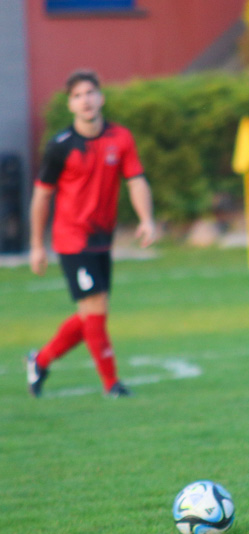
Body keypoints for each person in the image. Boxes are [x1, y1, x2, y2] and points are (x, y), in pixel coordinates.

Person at [26, 69, 155, 398]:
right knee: (95, 310)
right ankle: (112, 384)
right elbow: (41, 197)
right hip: (71, 239)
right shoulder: (60, 147)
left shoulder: (121, 138)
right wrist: (36, 246)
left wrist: (146, 219)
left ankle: (39, 361)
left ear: (101, 97)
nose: (85, 100)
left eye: (90, 93)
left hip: (102, 239)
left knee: (91, 316)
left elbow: (136, 179)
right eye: (78, 95)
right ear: (70, 104)